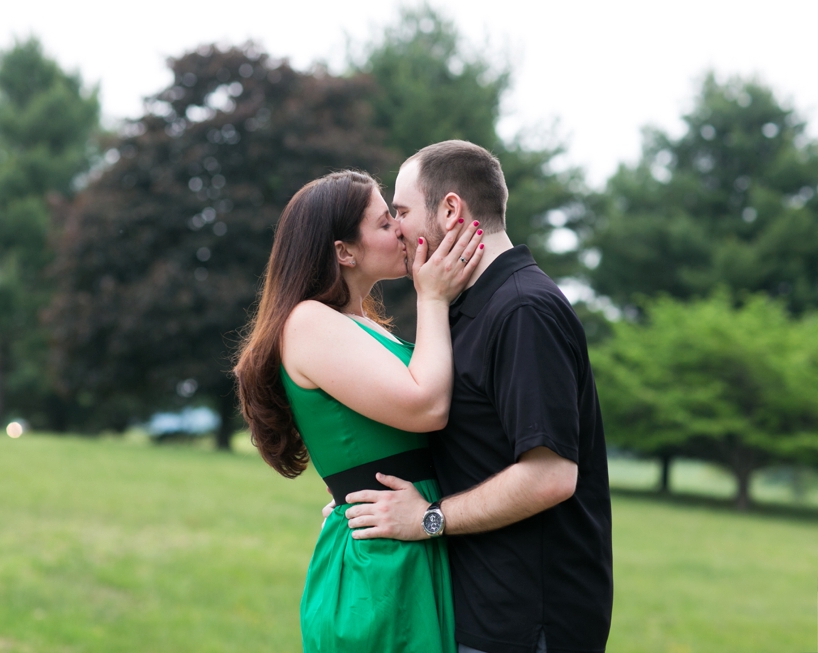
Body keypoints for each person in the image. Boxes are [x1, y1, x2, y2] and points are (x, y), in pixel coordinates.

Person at [338, 141, 614, 653]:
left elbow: (551, 476)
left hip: (528, 623)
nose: (396, 228)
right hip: (483, 610)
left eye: (400, 211)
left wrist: (428, 518)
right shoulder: (468, 308)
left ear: (449, 210)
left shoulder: (523, 310)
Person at [234, 169, 485, 653]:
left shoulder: (363, 324)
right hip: (380, 567)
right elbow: (428, 407)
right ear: (344, 252)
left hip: (405, 543)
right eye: (385, 222)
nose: (401, 230)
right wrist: (431, 298)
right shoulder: (308, 321)